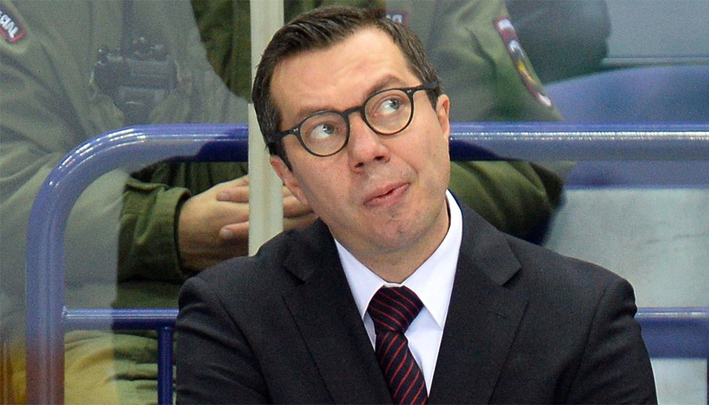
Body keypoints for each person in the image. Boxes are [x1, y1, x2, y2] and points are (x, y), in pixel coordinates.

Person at [1, 1, 562, 403]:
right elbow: (9, 188)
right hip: (122, 323)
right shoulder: (47, 13)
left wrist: (361, 209)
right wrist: (170, 228)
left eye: (389, 105)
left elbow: (525, 157)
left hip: (391, 310)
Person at [175, 5, 657, 404]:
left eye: (390, 104)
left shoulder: (584, 316)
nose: (366, 150)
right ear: (289, 177)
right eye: (323, 129)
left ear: (443, 119)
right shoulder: (233, 319)